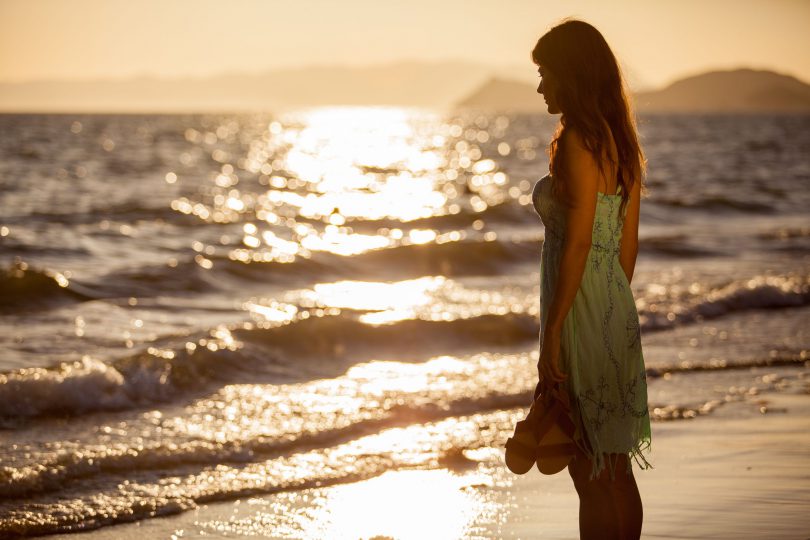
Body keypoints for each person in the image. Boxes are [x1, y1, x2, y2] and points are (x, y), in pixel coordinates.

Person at [530, 18, 653, 540]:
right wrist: (609, 313)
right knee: (613, 466)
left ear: (571, 75)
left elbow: (578, 241)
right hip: (612, 309)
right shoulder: (620, 143)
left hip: (579, 312)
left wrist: (557, 331)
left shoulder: (578, 141)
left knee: (587, 467)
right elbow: (626, 251)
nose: (540, 86)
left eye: (546, 74)